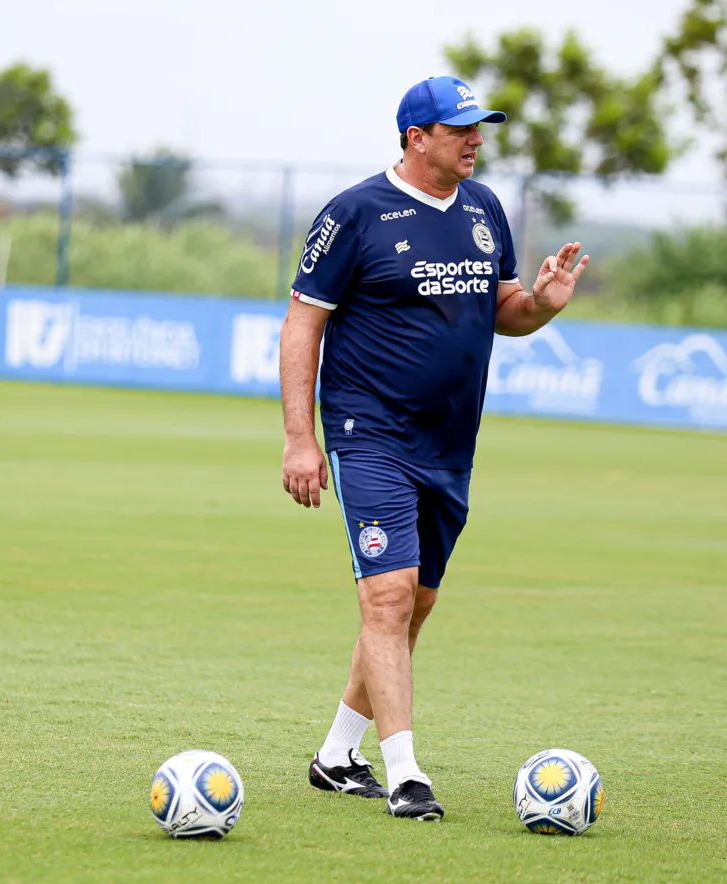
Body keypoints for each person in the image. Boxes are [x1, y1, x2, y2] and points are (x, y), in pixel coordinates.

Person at [278, 75, 589, 821]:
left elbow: (503, 311)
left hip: (450, 445)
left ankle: (333, 757)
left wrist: (541, 305)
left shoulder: (484, 209)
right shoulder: (355, 213)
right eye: (460, 129)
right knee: (384, 596)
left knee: (412, 603)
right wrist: (300, 439)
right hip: (369, 433)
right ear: (416, 138)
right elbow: (302, 323)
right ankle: (407, 775)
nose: (475, 139)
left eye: (478, 127)